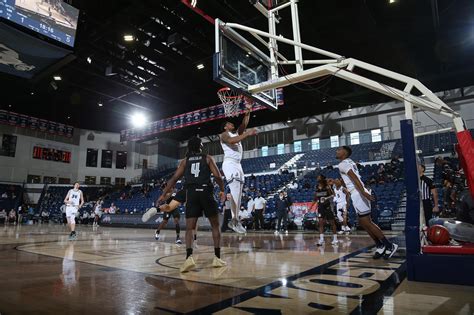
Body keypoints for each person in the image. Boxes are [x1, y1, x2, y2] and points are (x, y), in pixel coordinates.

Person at [158, 136, 226, 273]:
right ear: (200, 146)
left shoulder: (185, 161)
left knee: (189, 228)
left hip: (191, 194)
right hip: (206, 192)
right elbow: (218, 176)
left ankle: (189, 258)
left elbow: (174, 178)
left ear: (189, 147)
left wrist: (163, 194)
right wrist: (223, 190)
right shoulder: (208, 158)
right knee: (215, 225)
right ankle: (217, 258)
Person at [336, 146, 398, 259]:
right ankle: (380, 245)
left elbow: (354, 178)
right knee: (363, 222)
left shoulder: (342, 164)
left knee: (367, 222)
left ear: (344, 153)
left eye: (339, 150)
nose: (337, 151)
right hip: (357, 192)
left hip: (358, 192)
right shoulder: (349, 161)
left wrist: (363, 193)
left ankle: (389, 245)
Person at [220, 103, 257, 234]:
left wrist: (247, 112)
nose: (231, 124)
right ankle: (235, 220)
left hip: (238, 164)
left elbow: (243, 125)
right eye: (229, 123)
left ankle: (235, 220)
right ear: (225, 127)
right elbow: (232, 141)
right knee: (235, 187)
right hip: (229, 163)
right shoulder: (224, 135)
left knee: (238, 192)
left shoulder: (236, 133)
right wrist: (247, 134)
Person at [311, 176, 338, 246]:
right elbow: (315, 198)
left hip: (328, 207)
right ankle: (321, 239)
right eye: (317, 177)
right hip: (320, 207)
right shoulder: (316, 187)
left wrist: (326, 198)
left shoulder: (327, 187)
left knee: (332, 223)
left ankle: (335, 239)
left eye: (319, 177)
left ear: (322, 179)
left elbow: (333, 195)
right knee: (320, 223)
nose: (317, 178)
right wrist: (311, 207)